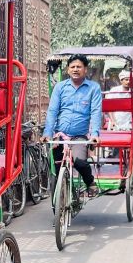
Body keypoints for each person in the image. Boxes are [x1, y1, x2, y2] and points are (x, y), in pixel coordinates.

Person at [43, 53, 102, 196]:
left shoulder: (93, 88)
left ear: (85, 69)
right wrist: (47, 132)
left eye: (79, 67)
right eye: (72, 67)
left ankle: (90, 183)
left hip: (79, 137)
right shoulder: (60, 87)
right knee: (56, 170)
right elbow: (52, 111)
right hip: (59, 136)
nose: (75, 69)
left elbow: (95, 112)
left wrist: (94, 134)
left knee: (80, 163)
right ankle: (61, 201)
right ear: (68, 70)